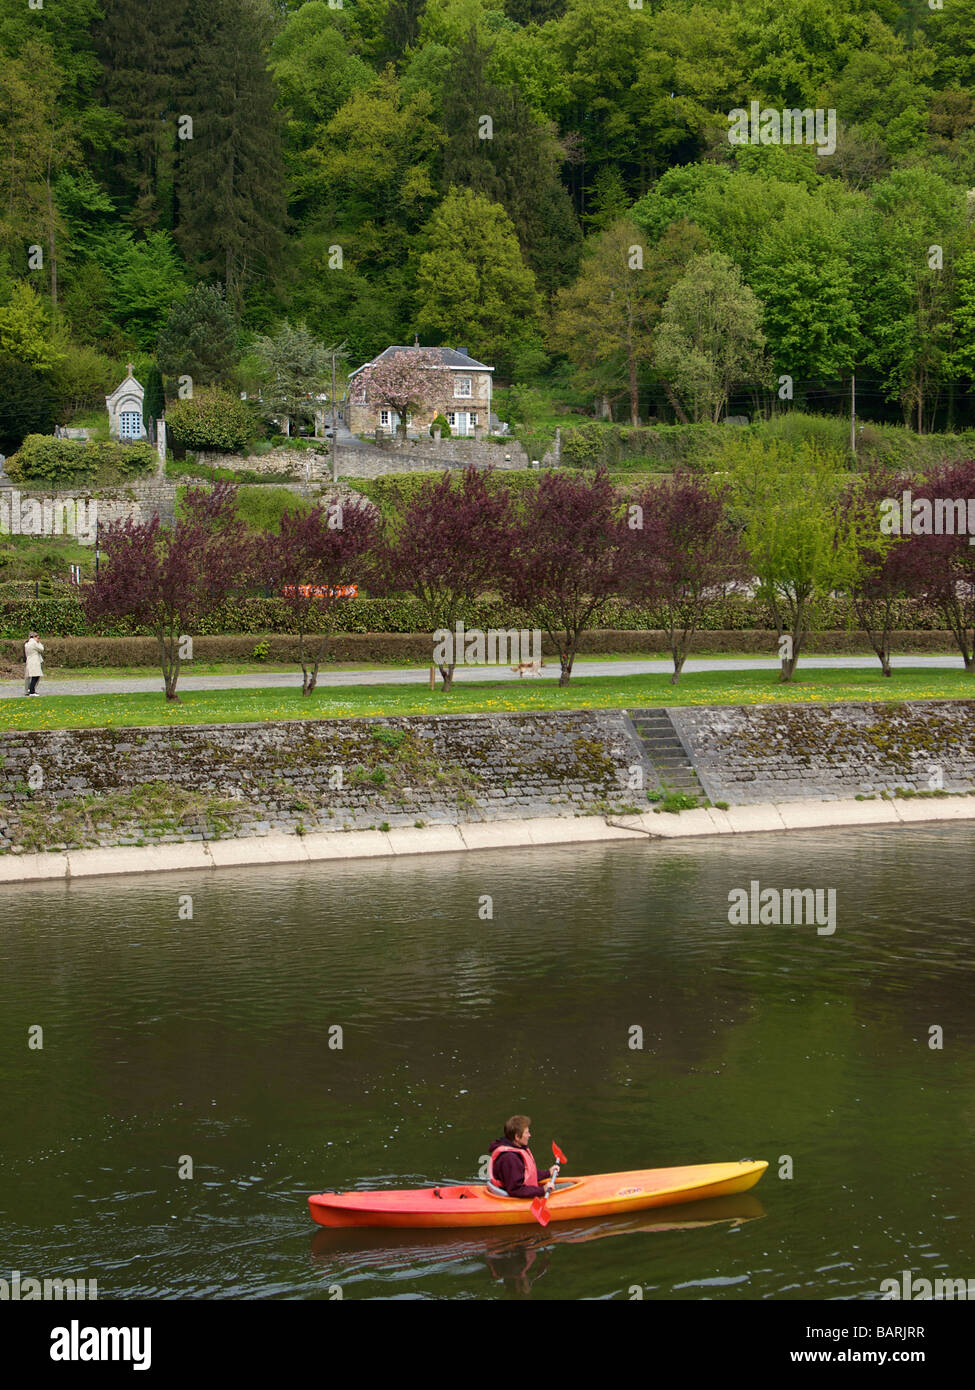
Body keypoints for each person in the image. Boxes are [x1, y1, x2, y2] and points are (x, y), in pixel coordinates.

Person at [487, 1115, 554, 1199]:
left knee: (570, 1185)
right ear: (517, 1137)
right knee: (567, 1186)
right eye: (526, 1133)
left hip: (520, 1191)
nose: (529, 1135)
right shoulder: (509, 1158)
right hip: (513, 1198)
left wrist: (548, 1173)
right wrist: (542, 1190)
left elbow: (526, 1174)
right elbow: (516, 1189)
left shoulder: (515, 1148)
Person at [24, 631, 44, 696]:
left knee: (29, 677)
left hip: (29, 660)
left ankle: (27, 690)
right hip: (35, 661)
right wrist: (39, 643)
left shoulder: (27, 643)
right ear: (34, 637)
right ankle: (32, 691)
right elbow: (41, 649)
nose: (38, 639)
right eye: (38, 638)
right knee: (36, 676)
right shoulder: (34, 643)